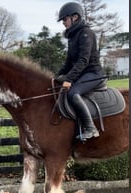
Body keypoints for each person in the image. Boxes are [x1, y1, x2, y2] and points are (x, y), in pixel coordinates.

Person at [54, 2, 105, 140]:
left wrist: (68, 79)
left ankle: (91, 128)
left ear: (75, 17)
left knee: (72, 93)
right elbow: (68, 63)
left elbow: (83, 60)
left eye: (65, 19)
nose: (63, 23)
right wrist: (56, 76)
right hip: (82, 74)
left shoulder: (86, 33)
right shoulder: (72, 36)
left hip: (94, 74)